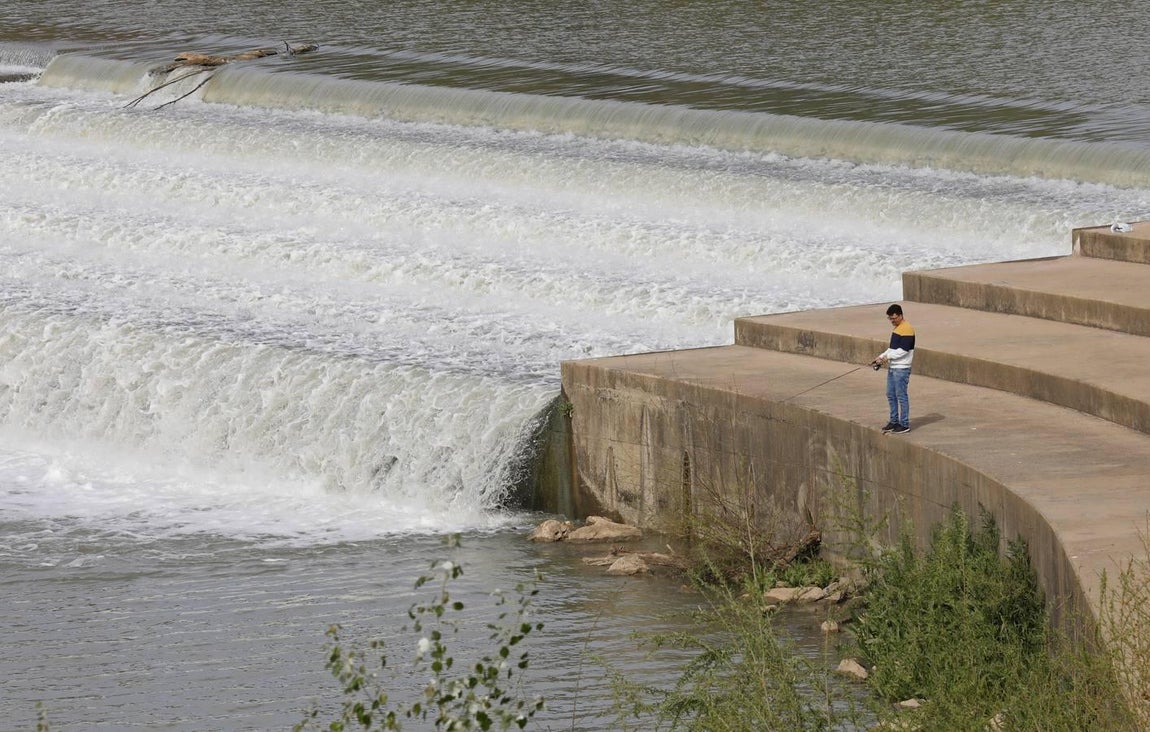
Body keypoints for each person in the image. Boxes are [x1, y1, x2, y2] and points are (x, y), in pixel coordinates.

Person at [871, 304, 915, 433]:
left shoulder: (907, 329)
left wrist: (887, 357)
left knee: (901, 396)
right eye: (890, 318)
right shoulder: (897, 329)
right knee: (890, 394)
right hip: (893, 367)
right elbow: (892, 349)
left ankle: (904, 424)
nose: (892, 321)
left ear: (900, 315)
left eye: (894, 318)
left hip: (902, 368)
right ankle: (894, 421)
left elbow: (903, 350)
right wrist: (881, 357)